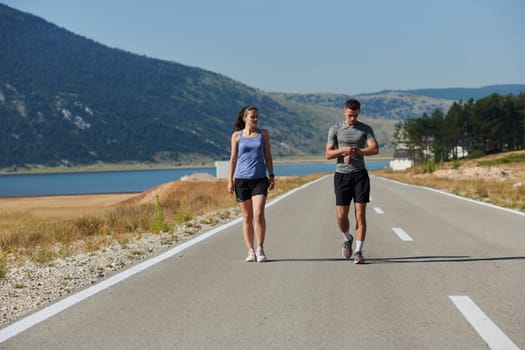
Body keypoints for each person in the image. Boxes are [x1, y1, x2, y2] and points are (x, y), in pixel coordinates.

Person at [325, 99, 378, 264]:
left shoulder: (365, 129)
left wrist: (357, 151)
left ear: (359, 112)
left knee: (360, 214)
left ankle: (358, 251)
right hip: (341, 176)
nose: (352, 119)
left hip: (360, 175)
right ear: (344, 112)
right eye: (349, 115)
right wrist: (343, 150)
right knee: (341, 217)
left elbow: (374, 149)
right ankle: (348, 237)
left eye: (355, 115)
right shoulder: (335, 129)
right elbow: (328, 154)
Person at [228, 106, 275, 262]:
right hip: (241, 180)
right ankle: (250, 250)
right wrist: (230, 180)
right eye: (252, 117)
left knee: (258, 213)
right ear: (244, 118)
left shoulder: (263, 135)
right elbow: (233, 159)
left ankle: (260, 248)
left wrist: (272, 174)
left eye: (257, 117)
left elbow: (268, 155)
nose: (255, 119)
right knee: (247, 216)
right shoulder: (236, 136)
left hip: (260, 179)